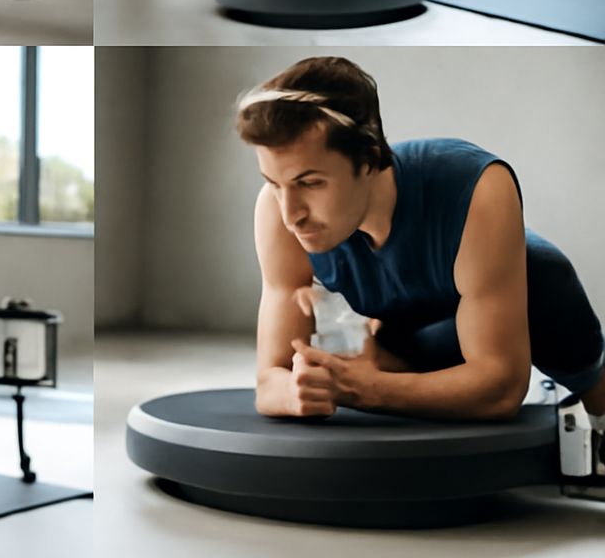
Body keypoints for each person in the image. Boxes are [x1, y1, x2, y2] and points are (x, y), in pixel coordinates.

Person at [236, 56, 605, 470]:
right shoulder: (277, 211)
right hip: (409, 332)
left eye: (310, 183)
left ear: (368, 159)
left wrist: (364, 390)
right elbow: (269, 379)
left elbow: (501, 388)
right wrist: (299, 392)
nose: (291, 214)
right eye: (274, 183)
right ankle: (387, 359)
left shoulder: (479, 187)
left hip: (515, 311)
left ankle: (596, 393)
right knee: (368, 344)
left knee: (542, 271)